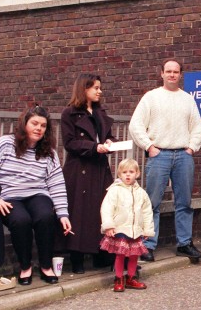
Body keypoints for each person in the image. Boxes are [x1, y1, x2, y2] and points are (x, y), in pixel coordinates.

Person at [0, 105, 72, 285]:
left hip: (38, 194)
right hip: (10, 195)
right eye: (34, 123)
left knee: (45, 216)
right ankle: (25, 267)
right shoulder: (5, 144)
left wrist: (63, 213)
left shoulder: (48, 153)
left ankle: (45, 266)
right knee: (21, 220)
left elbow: (56, 183)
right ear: (24, 124)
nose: (38, 128)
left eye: (43, 126)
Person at [129, 59, 201, 262]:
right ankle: (148, 245)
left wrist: (191, 148)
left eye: (176, 71)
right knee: (152, 202)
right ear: (161, 73)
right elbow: (135, 125)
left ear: (181, 75)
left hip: (183, 155)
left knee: (184, 202)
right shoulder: (151, 98)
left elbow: (197, 126)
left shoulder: (188, 99)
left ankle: (184, 243)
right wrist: (149, 147)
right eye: (168, 71)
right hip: (158, 154)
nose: (172, 75)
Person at [61, 73, 116, 274]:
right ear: (84, 89)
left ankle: (100, 254)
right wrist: (94, 147)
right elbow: (70, 143)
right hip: (80, 169)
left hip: (100, 168)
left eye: (100, 87)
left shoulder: (99, 113)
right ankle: (76, 258)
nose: (100, 91)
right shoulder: (69, 113)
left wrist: (109, 141)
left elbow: (105, 134)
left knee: (101, 211)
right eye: (96, 88)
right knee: (80, 212)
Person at [100, 158, 154, 292]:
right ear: (119, 174)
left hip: (136, 230)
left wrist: (147, 230)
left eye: (131, 172)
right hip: (120, 228)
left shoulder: (141, 193)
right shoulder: (114, 190)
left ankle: (131, 277)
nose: (128, 175)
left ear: (137, 173)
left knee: (134, 254)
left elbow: (147, 212)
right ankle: (118, 278)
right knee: (120, 254)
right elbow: (106, 208)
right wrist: (109, 225)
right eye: (124, 172)